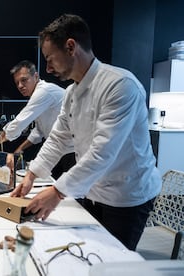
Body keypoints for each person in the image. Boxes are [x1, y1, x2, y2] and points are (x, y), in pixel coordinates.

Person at [11, 14, 162, 251]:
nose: (48, 68)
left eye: (50, 59)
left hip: (127, 194)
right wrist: (31, 175)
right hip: (93, 189)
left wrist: (57, 192)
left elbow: (102, 153)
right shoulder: (71, 93)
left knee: (113, 262)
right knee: (90, 252)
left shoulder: (119, 85)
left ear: (71, 47)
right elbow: (58, 138)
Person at [0, 60, 75, 178]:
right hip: (59, 150)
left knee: (72, 194)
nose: (20, 85)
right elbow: (39, 131)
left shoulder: (44, 91)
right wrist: (19, 149)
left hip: (72, 151)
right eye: (17, 82)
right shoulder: (39, 95)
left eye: (24, 80)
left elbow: (19, 123)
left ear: (36, 76)